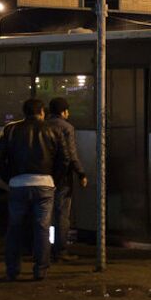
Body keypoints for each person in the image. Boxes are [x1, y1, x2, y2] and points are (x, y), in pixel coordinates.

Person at [0, 99, 69, 281]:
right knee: (42, 227)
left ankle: (13, 270)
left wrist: (10, 178)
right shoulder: (54, 130)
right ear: (42, 112)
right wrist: (53, 180)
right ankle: (40, 270)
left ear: (24, 112)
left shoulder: (10, 129)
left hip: (18, 185)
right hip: (45, 185)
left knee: (15, 227)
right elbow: (64, 160)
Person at [47, 97, 88, 262]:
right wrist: (81, 173)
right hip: (62, 178)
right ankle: (60, 251)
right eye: (67, 110)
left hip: (44, 177)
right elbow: (71, 155)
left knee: (42, 215)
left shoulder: (43, 125)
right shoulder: (67, 128)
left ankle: (41, 250)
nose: (68, 113)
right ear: (63, 111)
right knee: (62, 215)